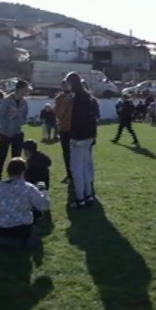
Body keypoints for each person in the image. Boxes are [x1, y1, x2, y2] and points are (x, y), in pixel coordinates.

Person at [0, 157, 50, 248]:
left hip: (4, 227)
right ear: (23, 171)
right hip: (24, 227)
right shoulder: (29, 188)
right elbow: (44, 206)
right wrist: (43, 191)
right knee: (36, 212)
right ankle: (25, 240)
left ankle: (4, 241)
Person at [65, 72, 99, 208]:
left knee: (76, 169)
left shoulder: (77, 99)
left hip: (79, 137)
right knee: (85, 167)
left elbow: (76, 120)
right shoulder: (89, 97)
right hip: (89, 135)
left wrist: (73, 137)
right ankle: (88, 195)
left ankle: (80, 197)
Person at [0, 79, 30, 182]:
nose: (27, 91)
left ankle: (16, 177)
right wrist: (6, 126)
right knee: (2, 155)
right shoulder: (7, 100)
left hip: (18, 133)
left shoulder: (24, 102)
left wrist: (20, 122)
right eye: (26, 89)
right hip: (5, 133)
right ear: (20, 89)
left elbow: (25, 115)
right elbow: (0, 116)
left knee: (17, 157)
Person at [54, 81, 74, 184]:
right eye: (64, 86)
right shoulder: (59, 98)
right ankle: (69, 174)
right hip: (64, 129)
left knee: (76, 153)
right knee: (66, 153)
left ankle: (77, 173)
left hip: (75, 128)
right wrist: (65, 102)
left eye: (67, 85)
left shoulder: (76, 96)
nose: (66, 87)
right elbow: (58, 115)